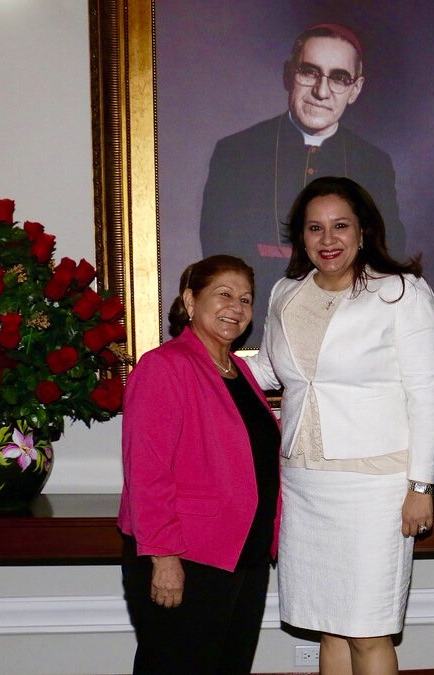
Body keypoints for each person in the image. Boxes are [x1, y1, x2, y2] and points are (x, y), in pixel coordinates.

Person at [245, 177, 434, 674]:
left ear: (362, 231)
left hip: (374, 488)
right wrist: (200, 365)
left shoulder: (400, 292)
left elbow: (426, 395)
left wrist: (421, 486)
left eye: (340, 226)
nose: (327, 239)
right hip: (305, 485)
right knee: (328, 625)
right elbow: (269, 370)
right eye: (315, 228)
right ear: (301, 236)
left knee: (369, 631)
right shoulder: (286, 293)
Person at [118, 255, 281, 674]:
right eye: (224, 294)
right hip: (187, 557)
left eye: (246, 299)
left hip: (244, 556)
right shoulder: (165, 365)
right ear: (191, 301)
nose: (236, 308)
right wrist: (164, 557)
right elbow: (147, 472)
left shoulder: (239, 371)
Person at [201, 22, 405, 347]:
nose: (322, 92)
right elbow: (220, 259)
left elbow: (386, 254)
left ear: (355, 89)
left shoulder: (373, 163)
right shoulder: (236, 152)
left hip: (346, 330)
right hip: (259, 326)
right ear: (289, 74)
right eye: (310, 72)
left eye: (339, 78)